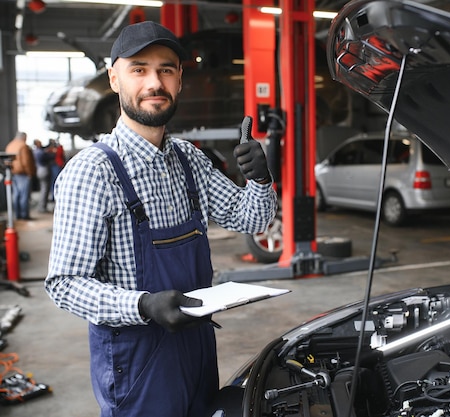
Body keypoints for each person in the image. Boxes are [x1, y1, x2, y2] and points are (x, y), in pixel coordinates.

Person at [44, 21, 277, 417]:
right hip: (138, 363)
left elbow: (250, 219)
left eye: (166, 69)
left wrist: (259, 179)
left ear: (180, 79)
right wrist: (143, 305)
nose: (155, 82)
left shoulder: (188, 159)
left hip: (197, 349)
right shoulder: (93, 172)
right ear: (114, 77)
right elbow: (63, 284)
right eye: (139, 69)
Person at [5, 131, 36, 220]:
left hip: (13, 173)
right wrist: (30, 173)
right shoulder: (23, 146)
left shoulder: (10, 145)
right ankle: (24, 215)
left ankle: (17, 215)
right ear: (23, 137)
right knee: (24, 195)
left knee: (16, 195)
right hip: (23, 174)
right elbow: (26, 161)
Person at [32, 139, 55, 213]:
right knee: (45, 190)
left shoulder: (36, 151)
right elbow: (50, 156)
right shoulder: (40, 152)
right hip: (43, 170)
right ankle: (42, 207)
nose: (41, 143)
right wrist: (52, 152)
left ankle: (42, 206)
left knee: (43, 189)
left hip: (39, 170)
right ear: (37, 144)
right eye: (40, 142)